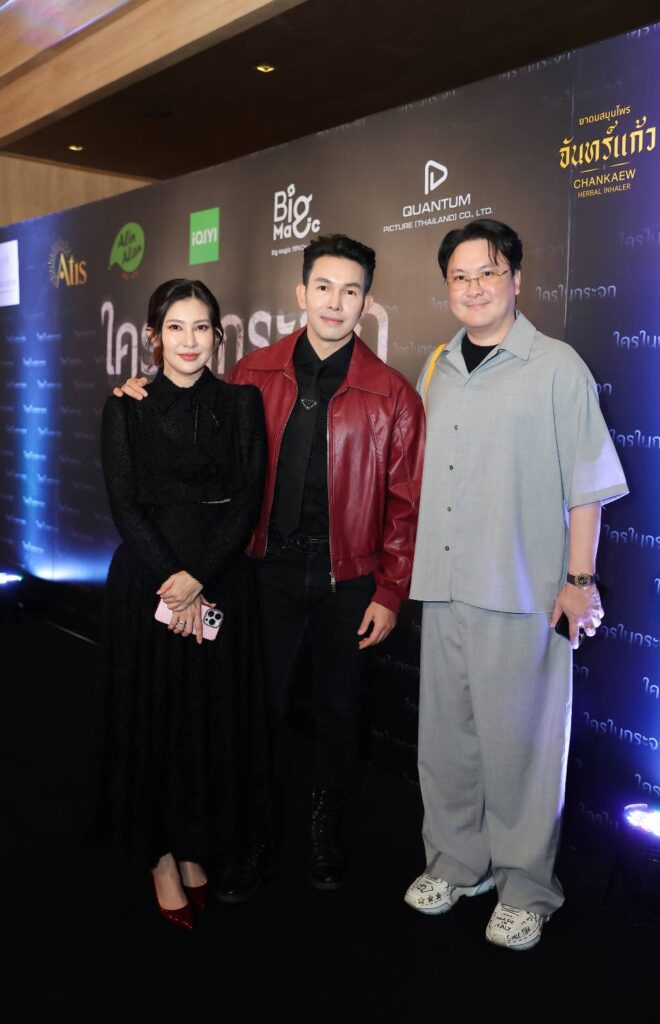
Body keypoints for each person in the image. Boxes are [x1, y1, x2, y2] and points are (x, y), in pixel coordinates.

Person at [117, 235, 425, 898]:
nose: (335, 302)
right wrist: (141, 388)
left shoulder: (393, 393)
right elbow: (200, 434)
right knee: (255, 707)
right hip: (263, 572)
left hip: (350, 579)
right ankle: (252, 834)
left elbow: (406, 504)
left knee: (339, 709)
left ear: (366, 302)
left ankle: (324, 830)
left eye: (350, 290)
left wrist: (391, 590)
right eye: (324, 287)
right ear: (301, 293)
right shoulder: (252, 372)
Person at [404, 219, 628, 950]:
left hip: (525, 591)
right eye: (460, 276)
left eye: (489, 273)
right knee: (446, 744)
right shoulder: (437, 366)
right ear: (447, 286)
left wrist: (578, 581)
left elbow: (586, 488)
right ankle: (456, 863)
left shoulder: (557, 366)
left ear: (517, 280)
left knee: (523, 753)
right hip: (444, 585)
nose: (474, 288)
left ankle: (526, 889)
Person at [93, 278, 269, 931]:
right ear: (153, 336)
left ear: (218, 336)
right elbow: (124, 504)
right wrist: (173, 577)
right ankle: (160, 856)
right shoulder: (126, 406)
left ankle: (195, 842)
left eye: (201, 328)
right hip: (149, 583)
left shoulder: (242, 402)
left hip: (221, 580)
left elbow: (248, 499)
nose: (189, 341)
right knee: (154, 721)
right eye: (175, 327)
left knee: (206, 720)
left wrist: (200, 577)